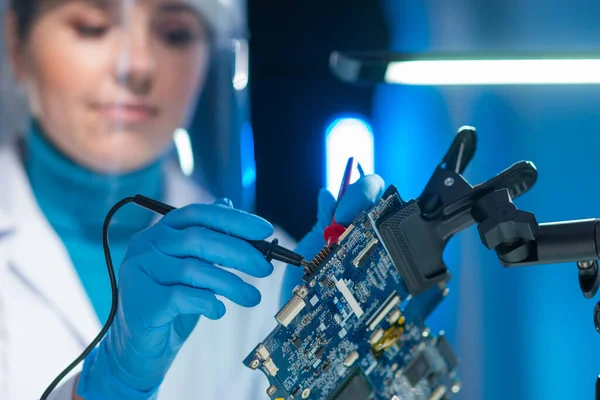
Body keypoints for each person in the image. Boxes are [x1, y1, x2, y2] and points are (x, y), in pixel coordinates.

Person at [0, 0, 385, 399]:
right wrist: (110, 388)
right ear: (16, 42)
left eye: (175, 34)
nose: (137, 66)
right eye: (91, 27)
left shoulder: (274, 280)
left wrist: (341, 360)